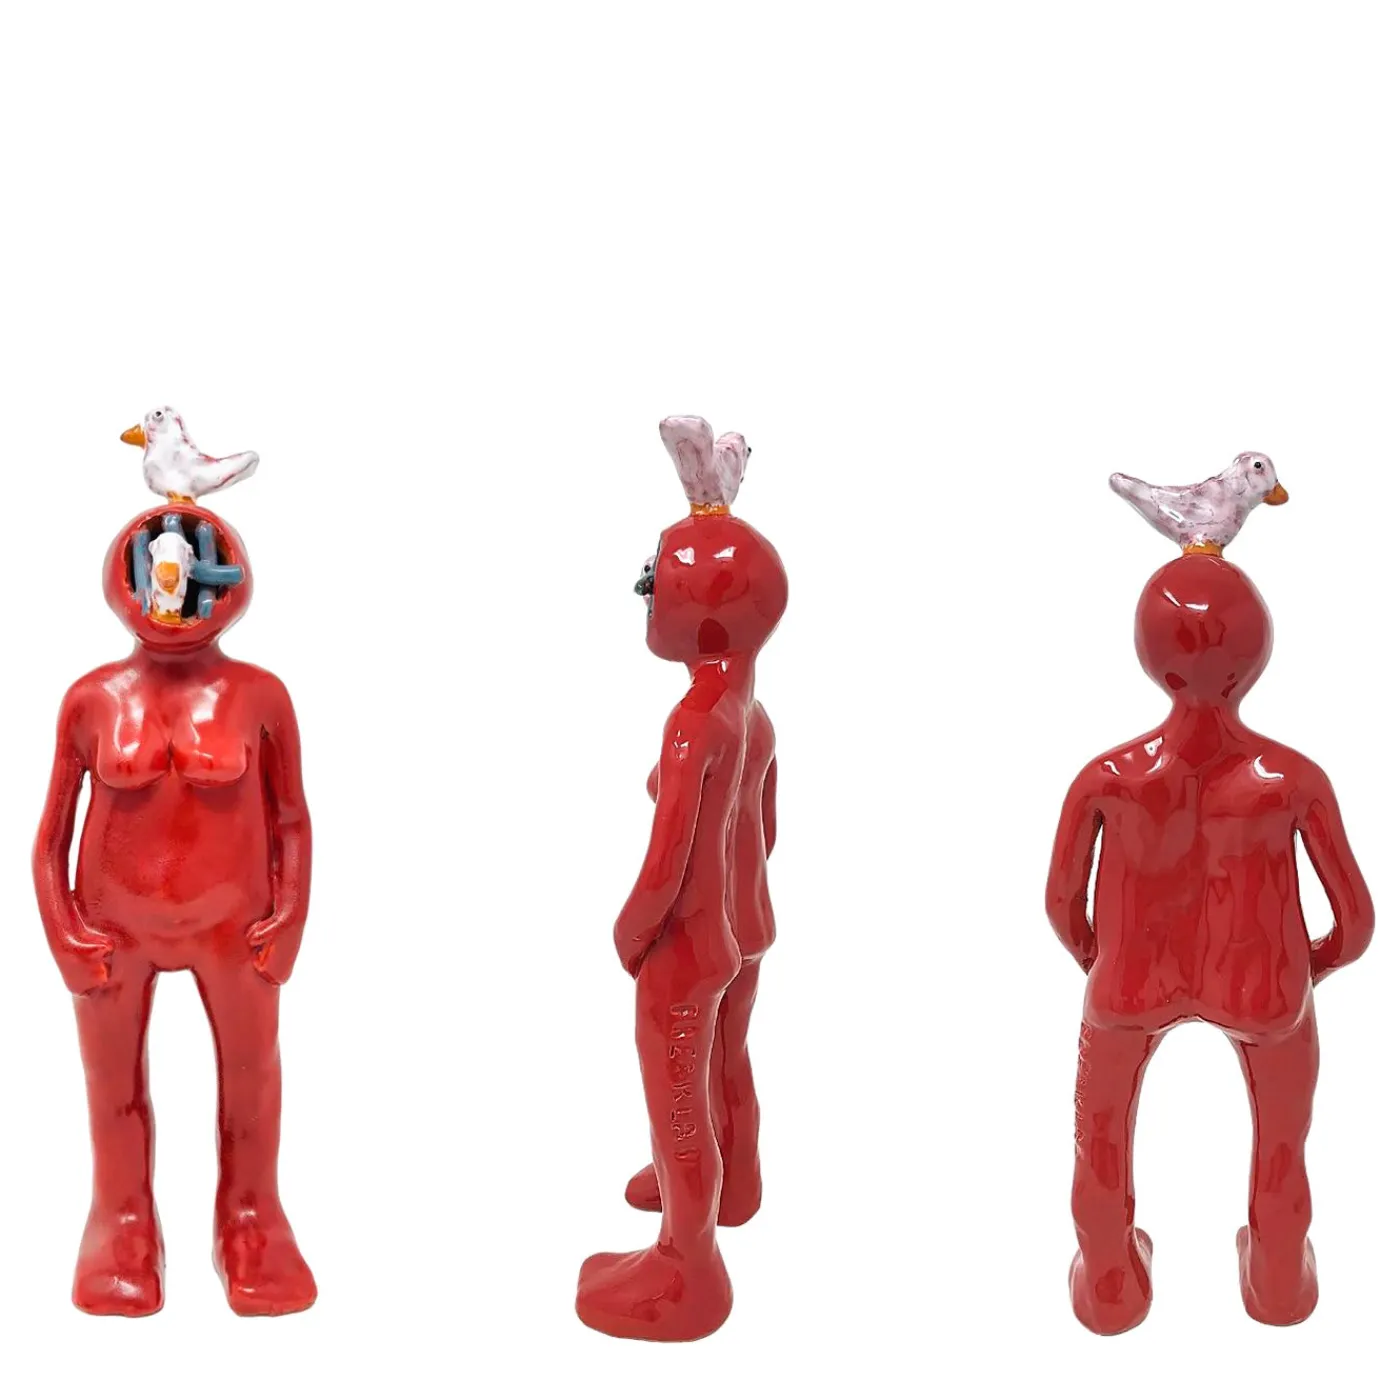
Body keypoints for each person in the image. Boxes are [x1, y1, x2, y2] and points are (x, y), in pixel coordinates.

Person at [1046, 552, 1373, 1333]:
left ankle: (1109, 1285)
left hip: (1129, 986)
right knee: (1284, 1142)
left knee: (1101, 1135)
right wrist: (1300, 971)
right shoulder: (1292, 781)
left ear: (1148, 655)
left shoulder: (1106, 778)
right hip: (1263, 990)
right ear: (1257, 655)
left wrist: (1105, 961)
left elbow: (1061, 906)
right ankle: (1279, 1279)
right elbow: (1355, 923)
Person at [33, 505, 316, 1317]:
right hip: (111, 932)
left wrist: (290, 918)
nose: (170, 589)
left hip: (237, 929)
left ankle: (252, 1221)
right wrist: (62, 929)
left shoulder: (260, 695)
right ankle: (120, 1223)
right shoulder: (91, 699)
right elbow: (50, 837)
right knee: (111, 1087)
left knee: (252, 1079)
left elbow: (292, 820)